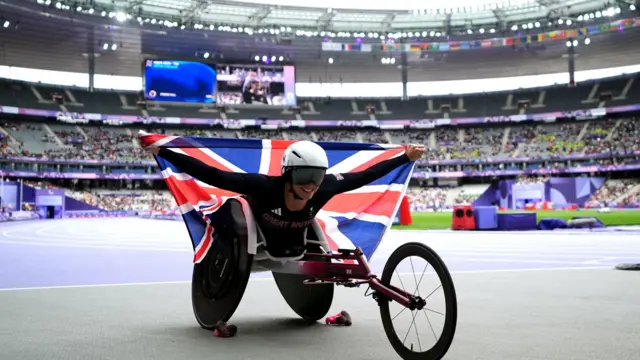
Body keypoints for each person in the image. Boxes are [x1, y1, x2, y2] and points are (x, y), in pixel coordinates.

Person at [147, 140, 425, 258]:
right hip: (255, 238)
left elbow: (366, 175)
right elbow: (212, 174)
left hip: (297, 245)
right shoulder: (263, 186)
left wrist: (405, 158)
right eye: (303, 177)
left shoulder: (324, 187)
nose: (310, 185)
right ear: (287, 174)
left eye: (316, 177)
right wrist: (164, 152)